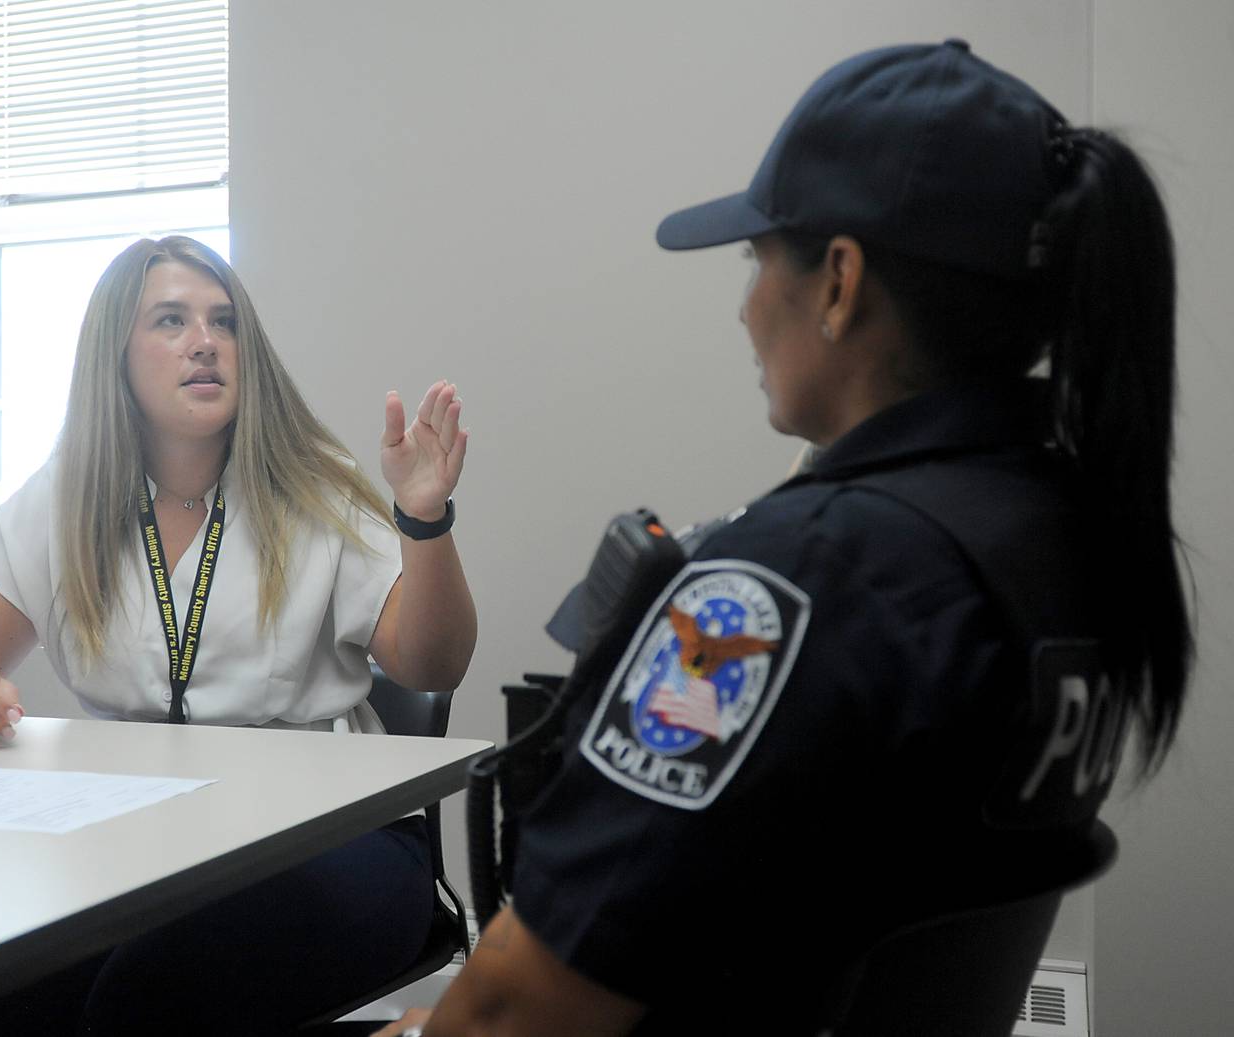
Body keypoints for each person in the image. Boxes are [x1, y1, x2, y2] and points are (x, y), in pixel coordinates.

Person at [376, 38, 1192, 1036]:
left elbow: (515, 1008)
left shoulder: (787, 584)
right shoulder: (1068, 531)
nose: (747, 305)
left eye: (760, 258)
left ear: (840, 281)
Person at [0, 235, 477, 1034]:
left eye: (224, 322)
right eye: (170, 320)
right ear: (117, 357)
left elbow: (435, 659)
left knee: (149, 993)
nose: (205, 340)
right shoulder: (64, 499)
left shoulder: (313, 489)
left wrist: (424, 518)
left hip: (331, 842)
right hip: (138, 844)